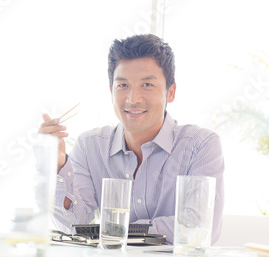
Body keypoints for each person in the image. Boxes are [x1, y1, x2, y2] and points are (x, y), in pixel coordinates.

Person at [39, 34, 224, 244]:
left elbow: (198, 229)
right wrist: (57, 165)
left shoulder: (201, 145)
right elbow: (74, 224)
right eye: (123, 86)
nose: (133, 99)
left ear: (170, 92)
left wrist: (114, 231)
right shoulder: (90, 146)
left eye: (147, 85)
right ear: (111, 92)